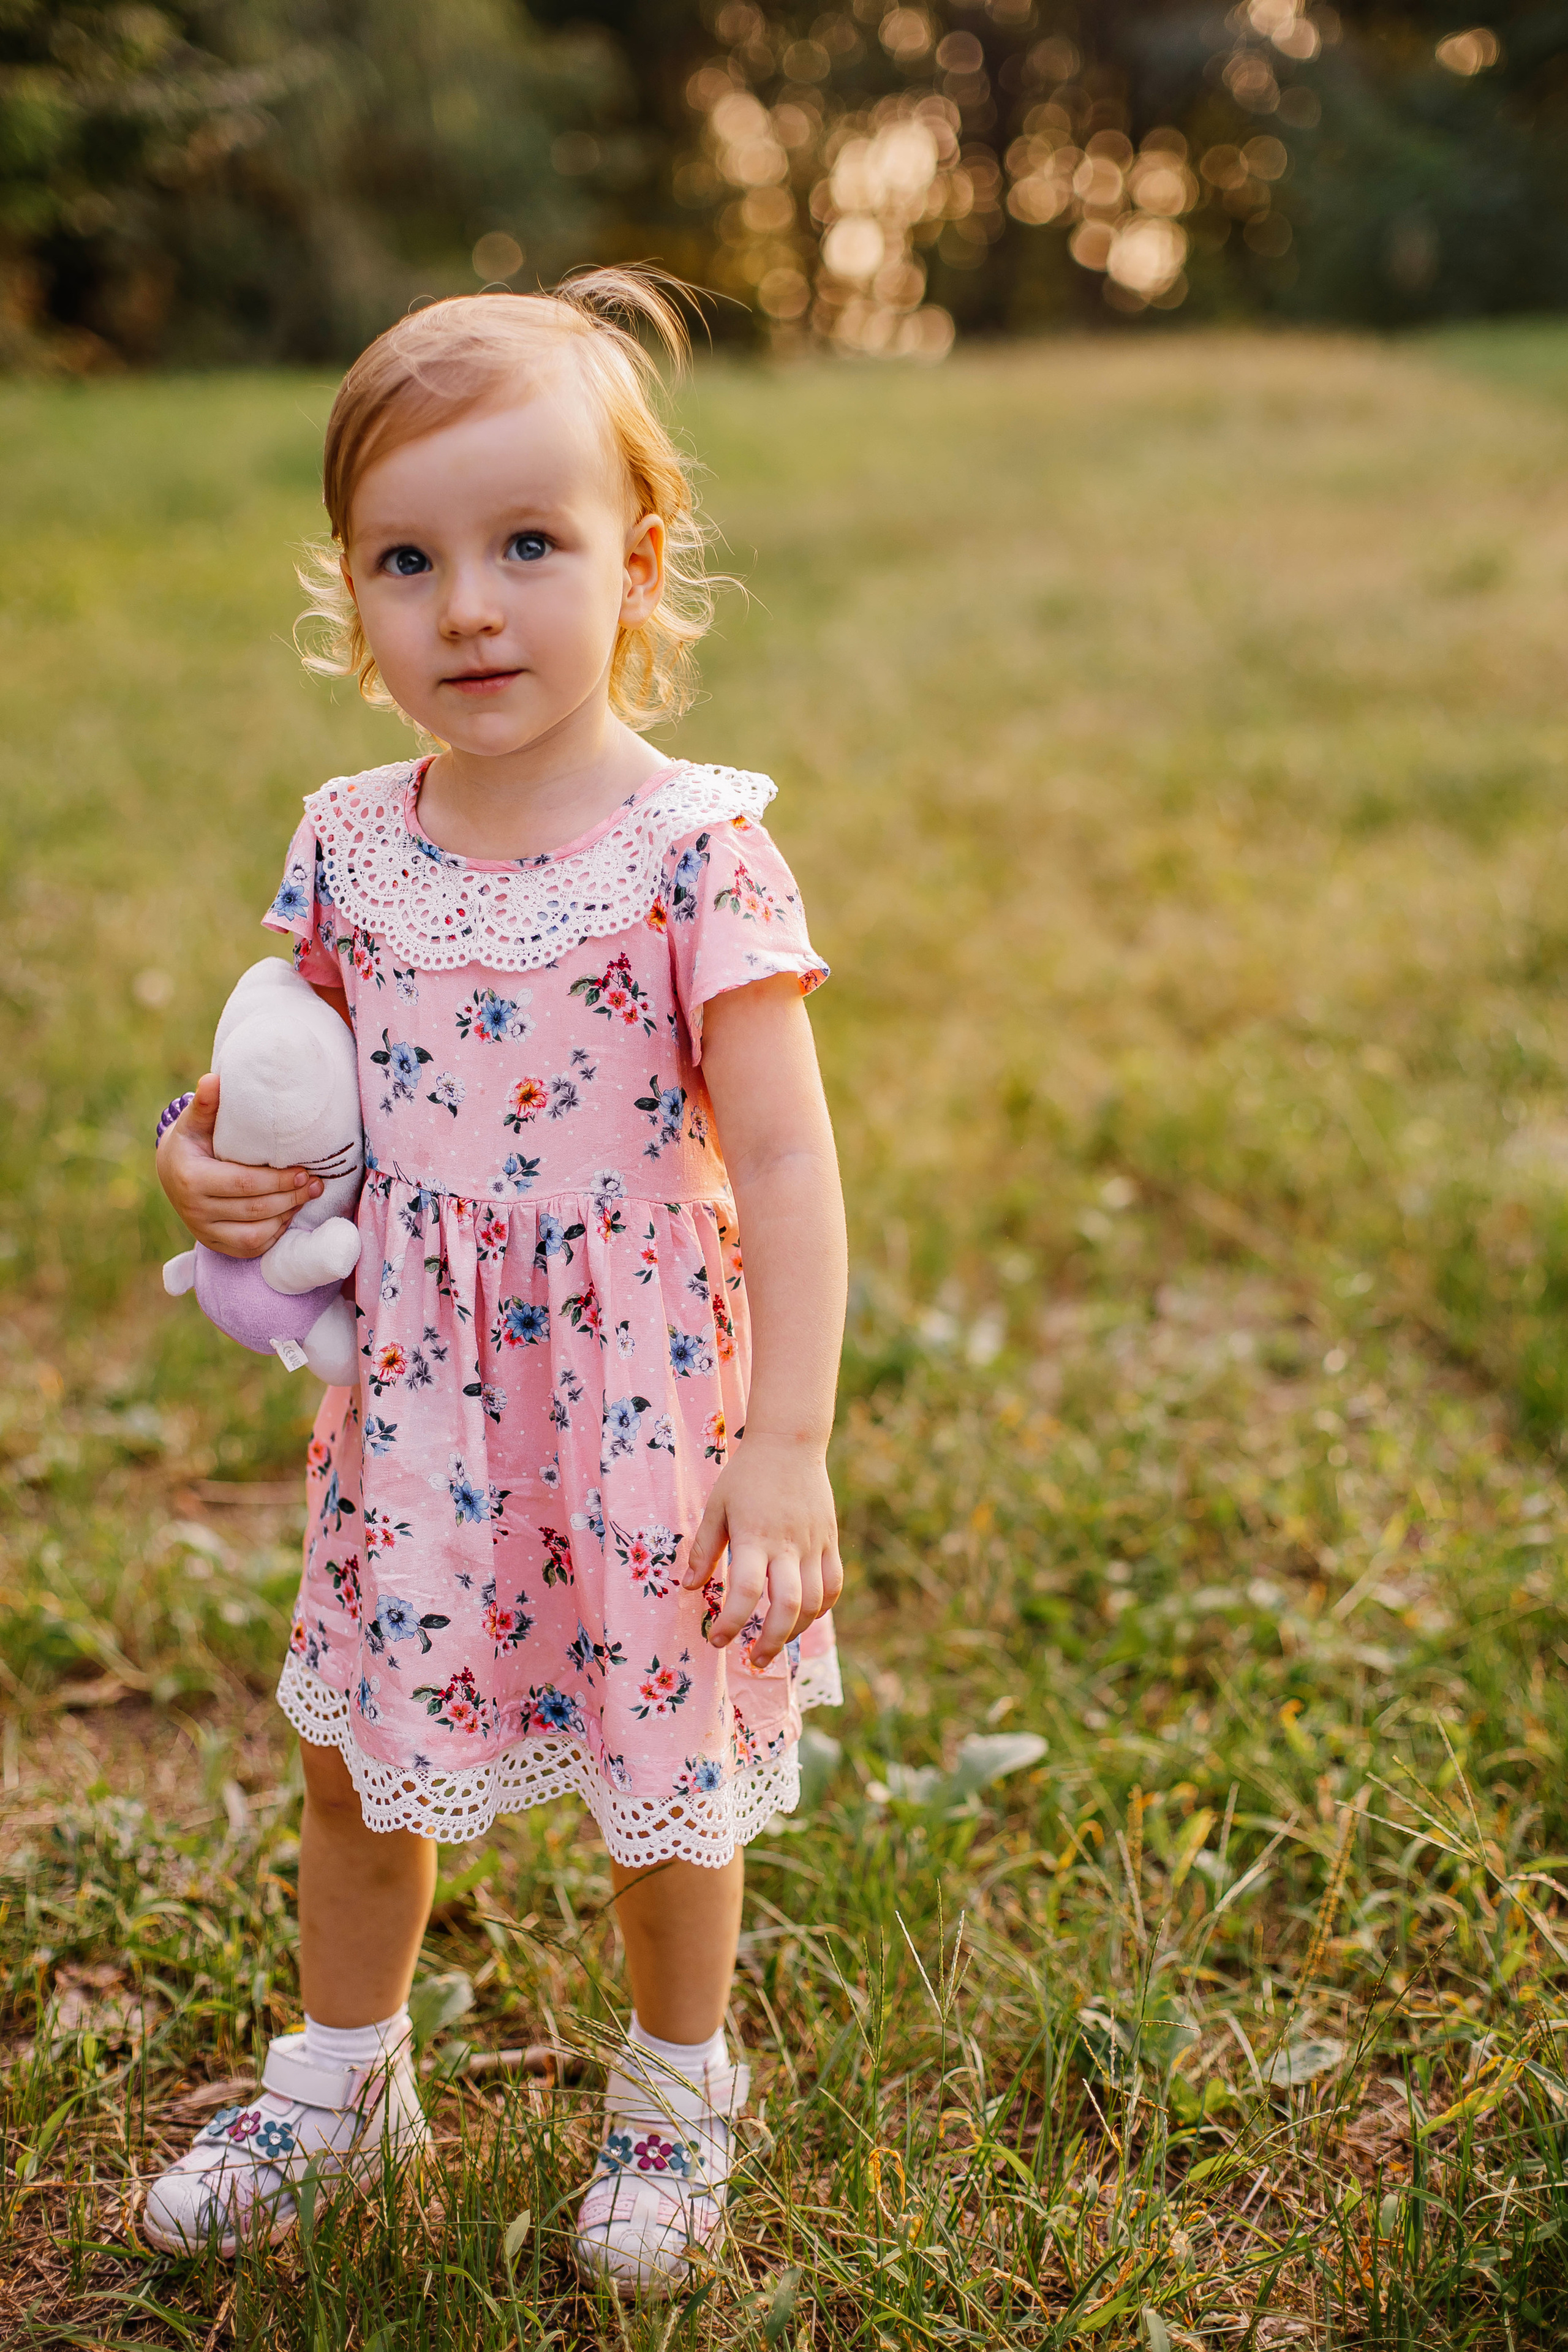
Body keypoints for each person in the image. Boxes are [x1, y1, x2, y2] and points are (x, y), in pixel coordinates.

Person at [147, 271, 846, 2296]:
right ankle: (342, 2080)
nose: (467, 605)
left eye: (526, 546)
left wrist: (784, 1444)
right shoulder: (353, 845)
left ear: (638, 569)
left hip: (644, 1416)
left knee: (664, 1784)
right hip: (418, 1418)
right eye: (408, 558)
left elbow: (788, 1164)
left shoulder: (697, 852)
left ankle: (673, 2090)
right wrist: (200, 1168)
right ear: (349, 598)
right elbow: (275, 1073)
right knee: (363, 1756)